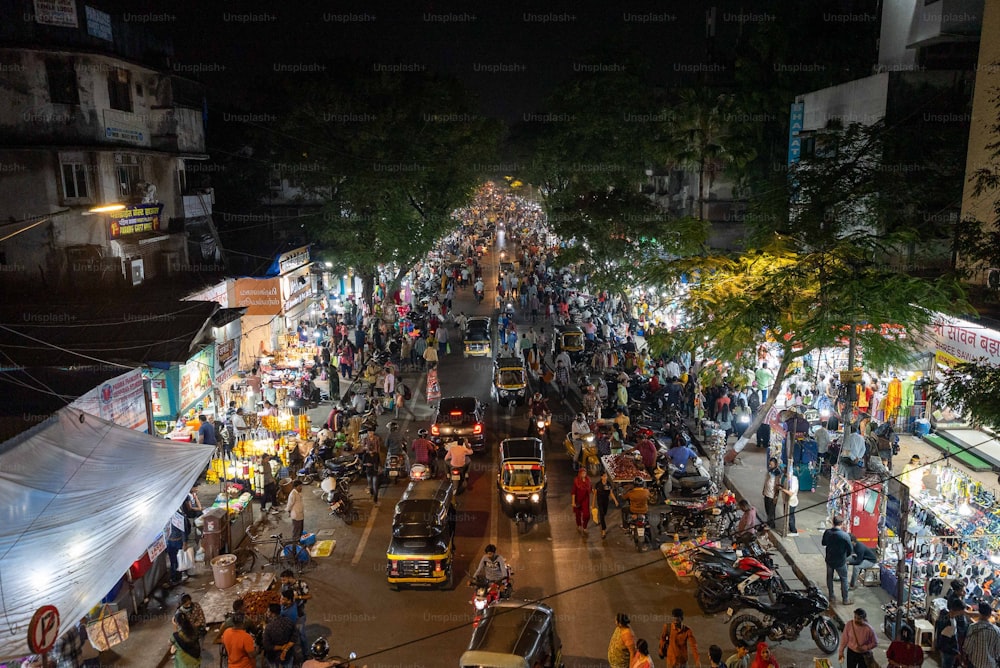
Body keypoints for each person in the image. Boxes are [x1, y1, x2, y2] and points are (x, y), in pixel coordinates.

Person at [822, 515, 853, 605]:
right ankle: (845, 599)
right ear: (842, 524)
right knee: (844, 579)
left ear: (833, 522)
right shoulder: (845, 535)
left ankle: (831, 596)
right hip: (840, 561)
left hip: (829, 559)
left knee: (829, 577)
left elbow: (823, 543)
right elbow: (850, 550)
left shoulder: (827, 532)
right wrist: (844, 556)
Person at [280, 569, 310, 655]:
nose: (283, 582)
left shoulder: (302, 584)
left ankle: (306, 654)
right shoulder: (284, 586)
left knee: (301, 635)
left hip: (299, 614)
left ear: (290, 578)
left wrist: (299, 597)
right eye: (282, 580)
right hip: (288, 614)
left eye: (284, 579)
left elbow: (309, 596)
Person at [963, 602, 1000, 668]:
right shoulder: (997, 630)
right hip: (990, 665)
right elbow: (997, 652)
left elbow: (967, 647)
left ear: (979, 613)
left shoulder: (973, 627)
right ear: (990, 615)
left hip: (975, 663)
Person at [935, 597, 970, 668]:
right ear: (958, 611)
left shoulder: (944, 613)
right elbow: (947, 641)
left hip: (944, 650)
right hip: (948, 652)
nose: (963, 613)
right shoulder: (951, 625)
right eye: (962, 611)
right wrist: (956, 651)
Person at [262, 603, 297, 668]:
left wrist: (281, 647)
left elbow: (267, 645)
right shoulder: (288, 621)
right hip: (288, 655)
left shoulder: (269, 627)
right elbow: (294, 637)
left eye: (268, 611)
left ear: (272, 613)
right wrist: (285, 649)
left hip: (273, 657)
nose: (267, 613)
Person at [592, 471, 619, 539]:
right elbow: (595, 494)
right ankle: (603, 530)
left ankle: (601, 520)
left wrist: (615, 500)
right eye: (604, 476)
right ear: (601, 477)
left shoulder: (609, 484)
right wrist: (593, 503)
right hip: (600, 501)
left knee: (604, 513)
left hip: (606, 501)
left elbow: (611, 493)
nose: (605, 477)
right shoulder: (598, 484)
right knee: (601, 514)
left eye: (606, 476)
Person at [572, 468, 592, 535]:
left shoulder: (588, 480)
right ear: (580, 473)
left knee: (587, 515)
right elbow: (573, 492)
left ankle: (585, 527)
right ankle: (579, 525)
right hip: (578, 500)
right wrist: (573, 502)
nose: (584, 474)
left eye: (585, 473)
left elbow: (590, 488)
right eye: (582, 473)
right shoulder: (576, 480)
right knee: (578, 514)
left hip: (585, 500)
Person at [762, 458, 781, 530]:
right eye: (770, 464)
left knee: (771, 510)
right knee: (767, 508)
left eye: (772, 464)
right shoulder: (769, 470)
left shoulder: (777, 472)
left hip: (772, 495)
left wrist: (776, 496)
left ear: (775, 464)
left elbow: (777, 484)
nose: (770, 465)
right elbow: (766, 480)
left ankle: (771, 524)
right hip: (767, 492)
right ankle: (768, 522)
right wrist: (764, 489)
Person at [779, 468, 799, 535]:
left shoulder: (793, 480)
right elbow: (785, 487)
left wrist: (782, 489)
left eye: (785, 472)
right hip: (786, 500)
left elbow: (791, 493)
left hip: (791, 501)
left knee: (790, 517)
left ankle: (793, 531)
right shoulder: (787, 479)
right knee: (789, 516)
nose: (784, 474)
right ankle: (791, 528)